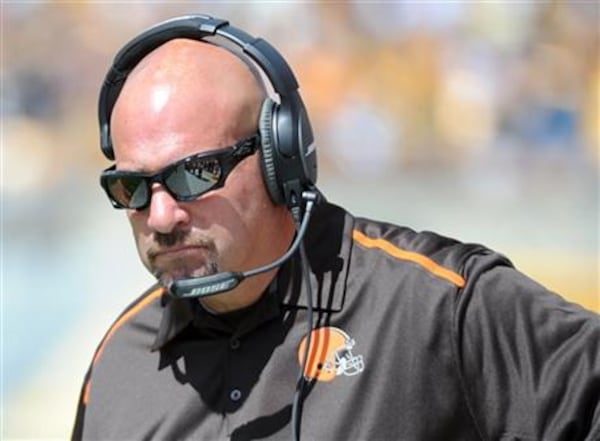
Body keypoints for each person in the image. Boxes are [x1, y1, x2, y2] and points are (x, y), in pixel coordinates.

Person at [73, 15, 599, 441]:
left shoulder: (438, 307)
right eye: (132, 189)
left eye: (194, 174)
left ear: (281, 157)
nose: (161, 217)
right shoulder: (119, 362)